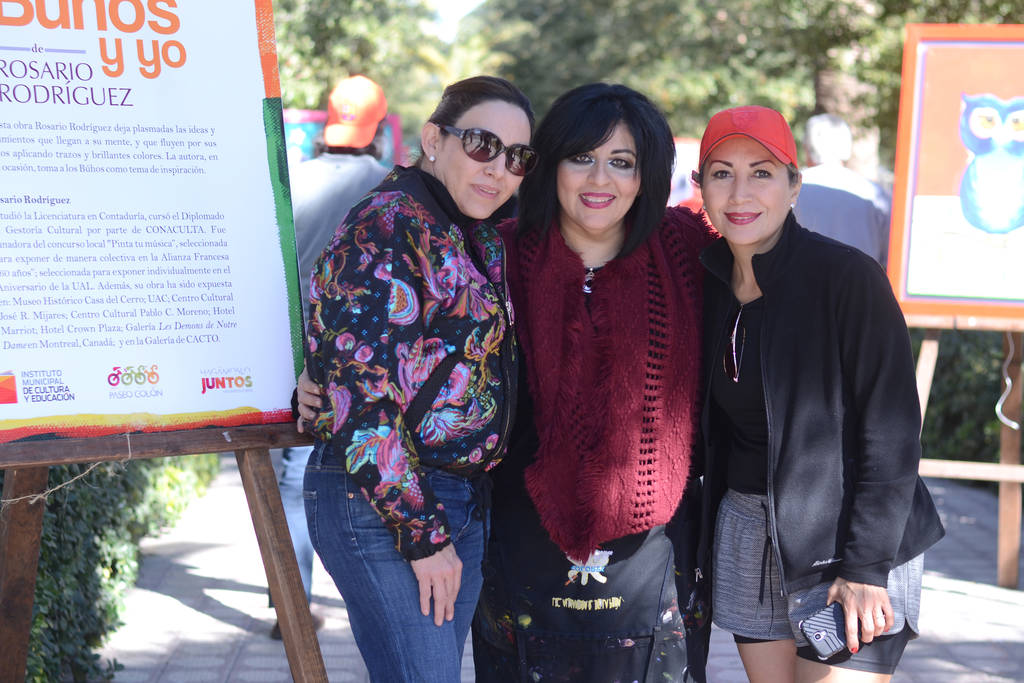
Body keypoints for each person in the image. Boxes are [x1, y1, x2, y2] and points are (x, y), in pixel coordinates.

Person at [470, 83, 715, 682]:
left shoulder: (692, 254)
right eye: (581, 157)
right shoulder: (492, 258)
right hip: (516, 532)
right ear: (550, 164)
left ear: (647, 175)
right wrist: (324, 384)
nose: (599, 179)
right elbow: (418, 353)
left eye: (622, 162)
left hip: (658, 545)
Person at [692, 105, 944, 682]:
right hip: (750, 536)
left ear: (794, 185)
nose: (740, 192)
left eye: (761, 172)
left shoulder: (847, 278)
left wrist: (867, 568)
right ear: (700, 187)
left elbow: (892, 434)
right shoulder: (706, 283)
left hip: (848, 539)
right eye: (722, 173)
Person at [299, 75, 536, 681]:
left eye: (517, 157)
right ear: (433, 139)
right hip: (389, 504)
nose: (498, 168)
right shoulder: (389, 226)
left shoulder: (469, 230)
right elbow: (362, 400)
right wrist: (423, 536)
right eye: (482, 145)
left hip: (457, 499)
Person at [270, 74, 391, 640]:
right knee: (379, 473)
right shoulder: (389, 185)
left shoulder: (292, 180)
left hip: (300, 361)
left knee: (293, 482)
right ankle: (381, 602)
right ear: (378, 127)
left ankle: (292, 606)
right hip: (373, 364)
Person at [793, 113, 891, 266]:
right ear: (847, 146)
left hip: (799, 278)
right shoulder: (875, 194)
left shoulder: (790, 189)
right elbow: (890, 254)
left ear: (807, 146)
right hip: (861, 279)